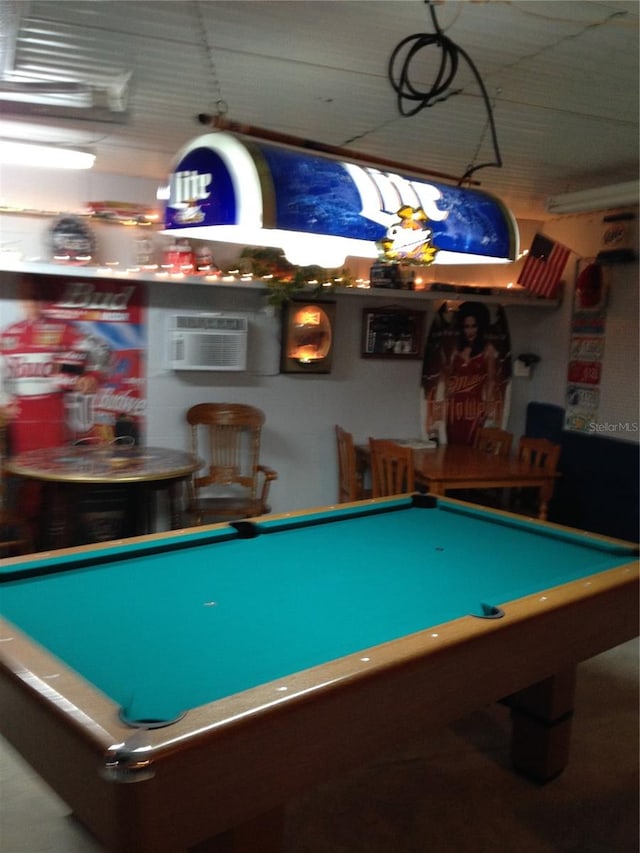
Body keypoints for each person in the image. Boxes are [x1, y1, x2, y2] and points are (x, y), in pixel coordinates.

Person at [0, 274, 105, 455]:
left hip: (52, 411)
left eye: (36, 297)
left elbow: (100, 351)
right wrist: (4, 402)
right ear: (20, 299)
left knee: (53, 468)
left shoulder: (62, 329)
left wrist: (93, 377)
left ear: (44, 299)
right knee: (23, 469)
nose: (31, 303)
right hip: (20, 415)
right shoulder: (9, 334)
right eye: (26, 297)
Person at [444, 302, 497, 445]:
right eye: (466, 327)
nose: (470, 331)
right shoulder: (456, 350)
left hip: (474, 407)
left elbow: (491, 381)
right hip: (455, 407)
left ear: (480, 327)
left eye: (474, 326)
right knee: (453, 445)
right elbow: (449, 377)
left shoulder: (487, 350)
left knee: (471, 444)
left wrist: (487, 407)